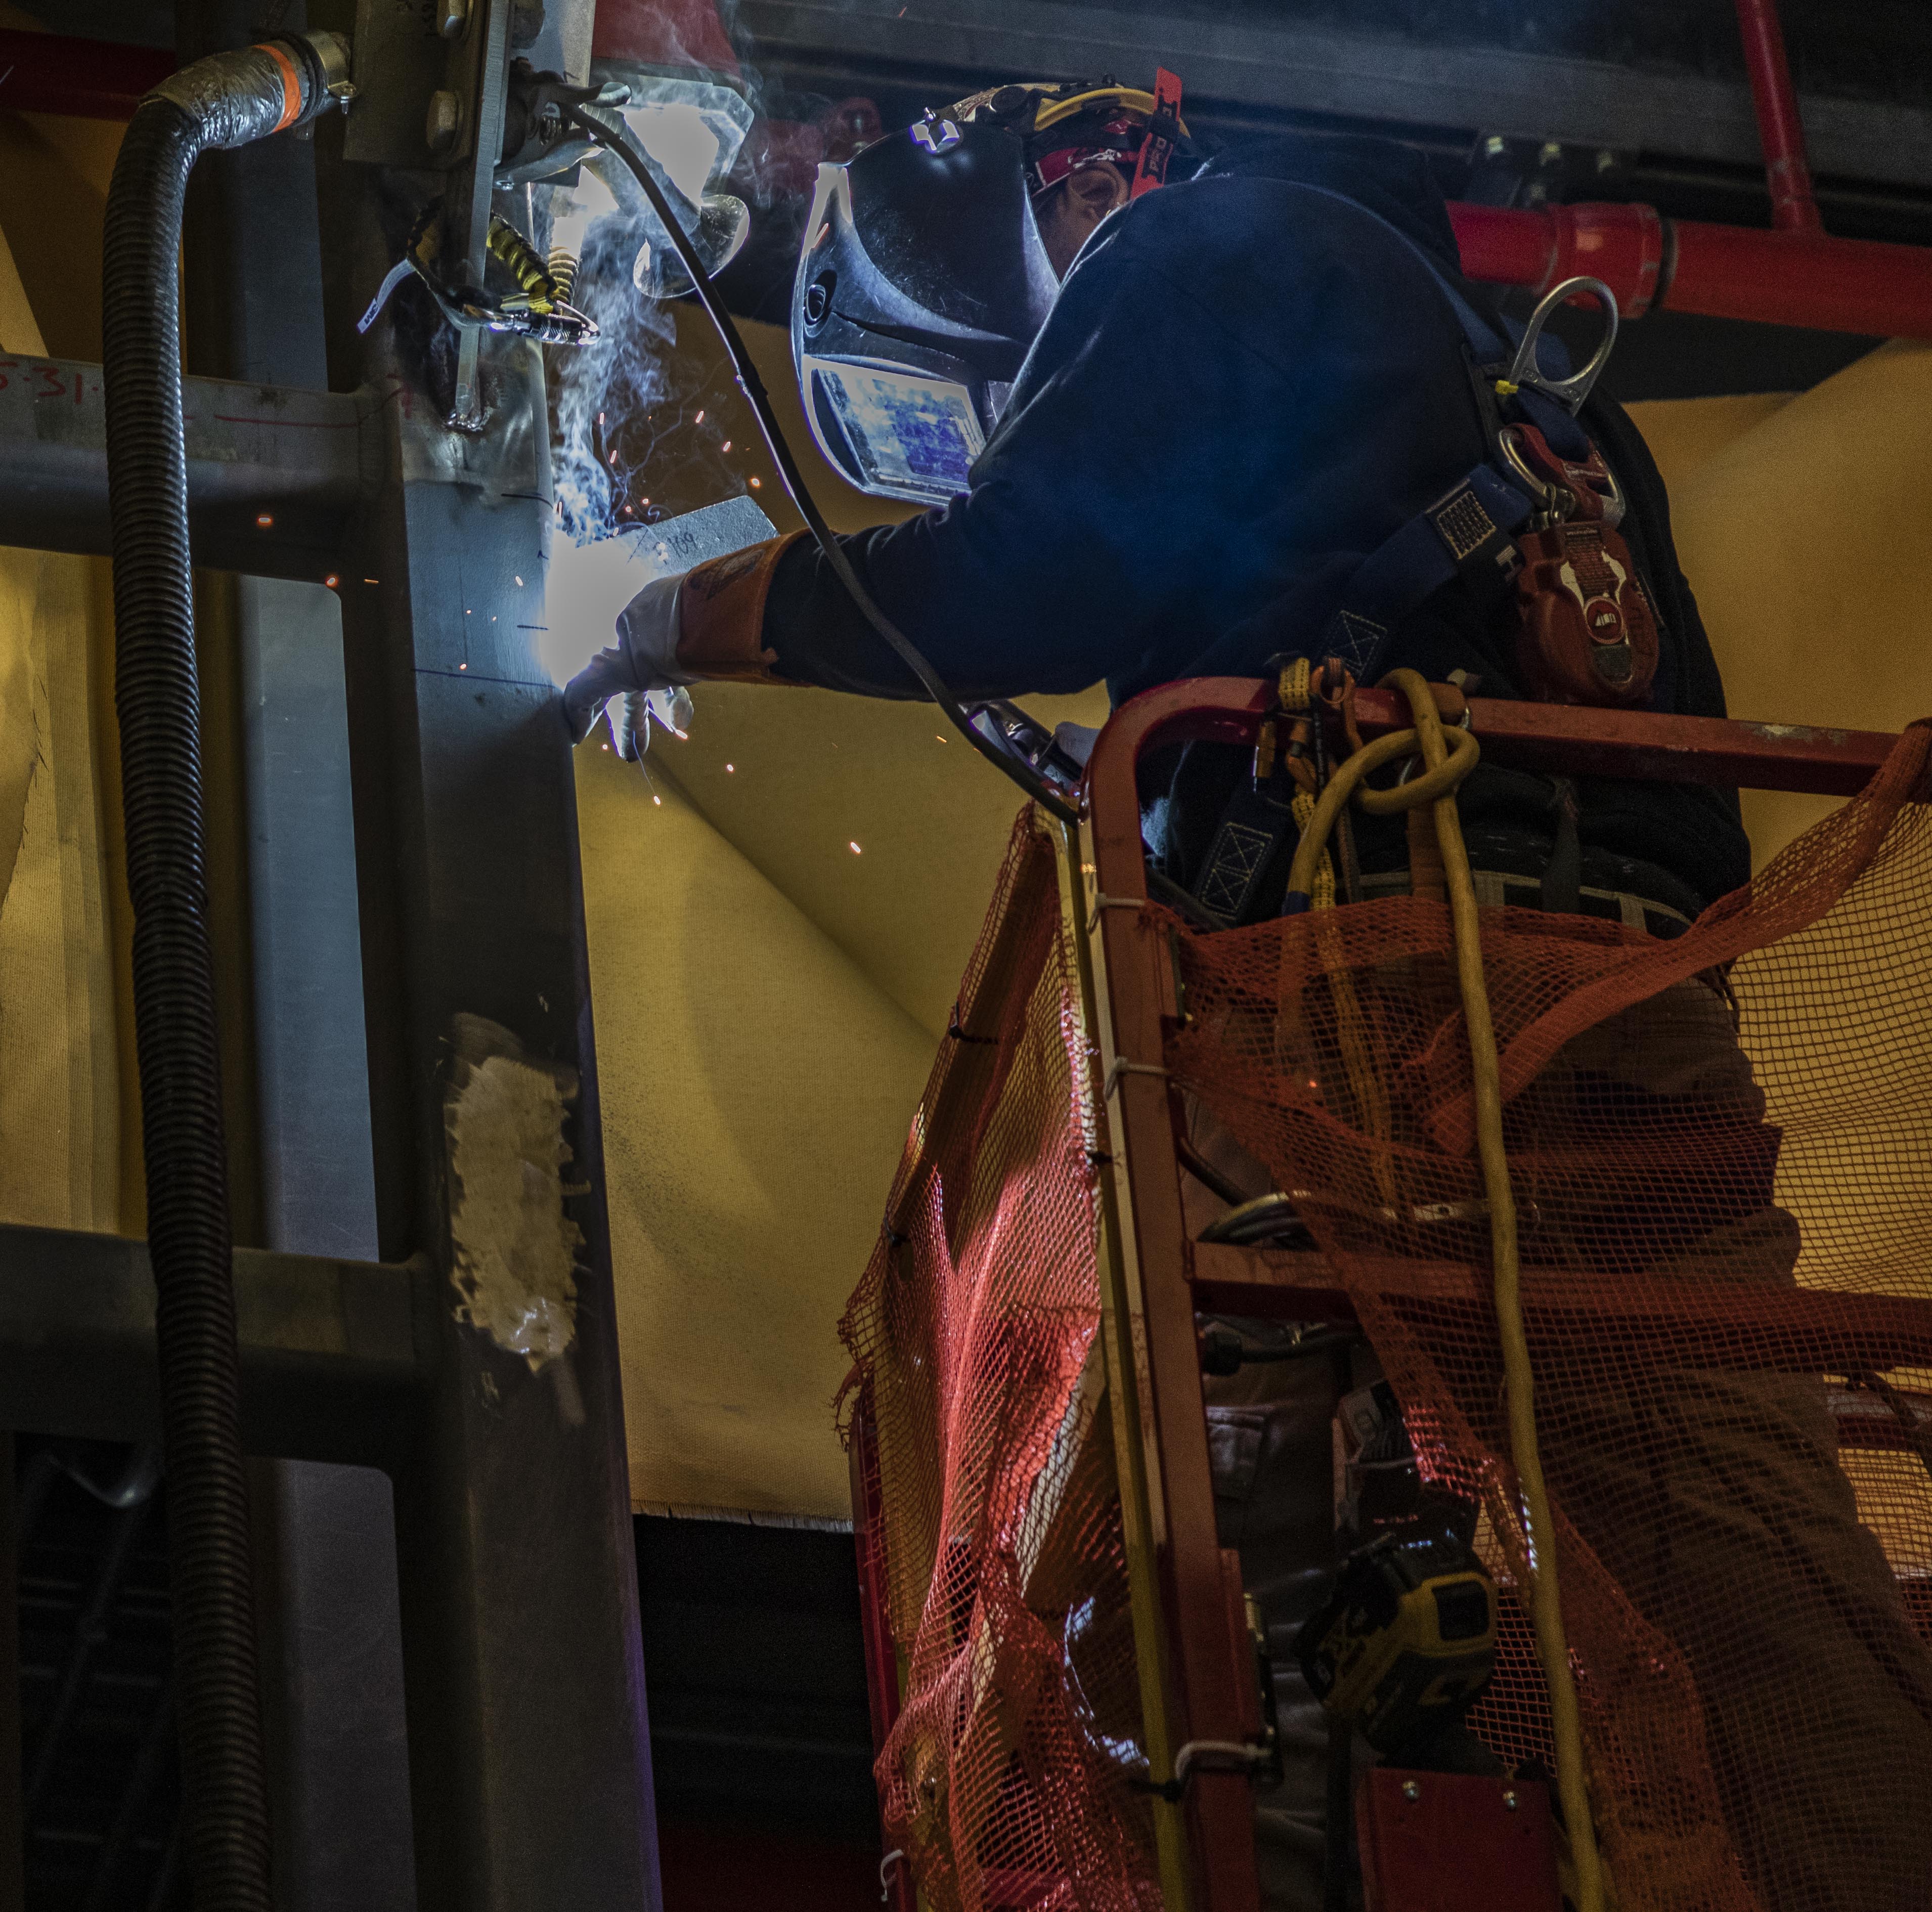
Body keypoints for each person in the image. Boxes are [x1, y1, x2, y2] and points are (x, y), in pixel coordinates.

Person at [563, 80, 1932, 1912]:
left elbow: (1010, 574)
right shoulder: (1456, 357)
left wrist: (662, 613)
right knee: (1695, 1527)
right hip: (1569, 994)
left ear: (1049, 206)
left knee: (1221, 1519)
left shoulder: (1203, 239)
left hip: (1390, 982)